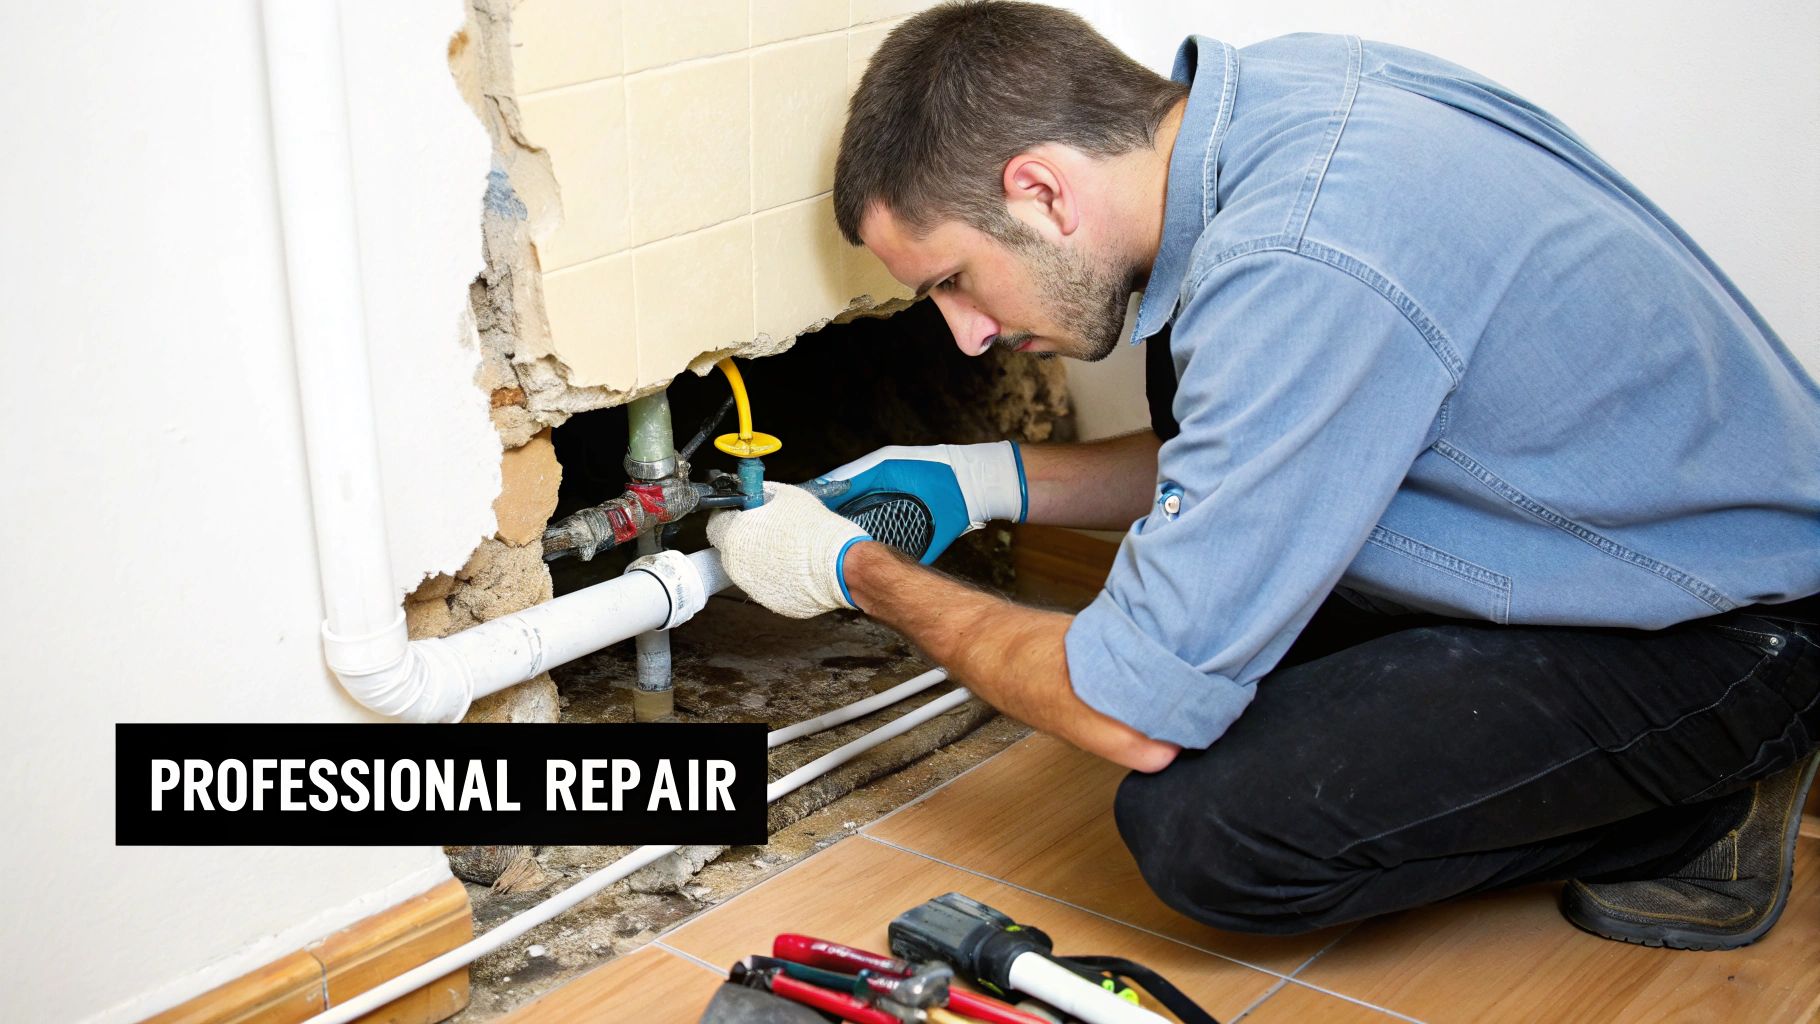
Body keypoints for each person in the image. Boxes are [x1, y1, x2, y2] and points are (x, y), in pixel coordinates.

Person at [704, 1, 1820, 949]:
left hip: (1728, 626)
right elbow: (1269, 439)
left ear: (1041, 190)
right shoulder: (1272, 112)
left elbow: (1125, 706)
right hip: (1582, 532)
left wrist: (853, 572)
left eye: (954, 279)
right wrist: (990, 477)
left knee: (1213, 826)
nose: (962, 335)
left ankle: (1697, 803)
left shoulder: (1302, 258)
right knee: (1181, 433)